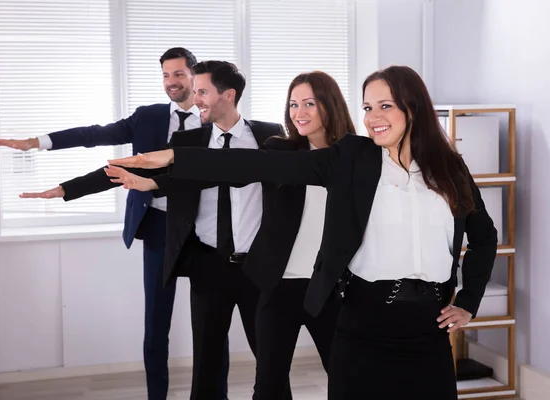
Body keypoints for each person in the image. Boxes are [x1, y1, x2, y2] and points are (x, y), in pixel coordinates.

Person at [106, 65, 498, 400]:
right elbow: (257, 165)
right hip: (363, 320)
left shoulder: (449, 169)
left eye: (385, 106)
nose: (372, 116)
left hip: (427, 326)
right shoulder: (353, 160)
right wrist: (176, 157)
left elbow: (483, 236)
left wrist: (469, 299)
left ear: (414, 110)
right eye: (367, 107)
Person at [0, 47, 229, 400]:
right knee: (155, 325)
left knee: (212, 326)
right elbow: (95, 136)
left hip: (204, 229)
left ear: (195, 75)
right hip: (159, 228)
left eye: (178, 74)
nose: (171, 82)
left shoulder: (215, 118)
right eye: (165, 75)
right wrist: (38, 146)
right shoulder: (147, 117)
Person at [106, 70, 354, 399]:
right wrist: (169, 163)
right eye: (293, 104)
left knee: (347, 379)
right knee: (267, 384)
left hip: (328, 288)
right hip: (278, 287)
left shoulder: (355, 157)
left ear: (331, 104)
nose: (299, 112)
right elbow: (233, 165)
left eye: (309, 103)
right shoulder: (282, 151)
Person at [135, 60, 290, 399]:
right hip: (207, 264)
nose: (196, 97)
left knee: (271, 361)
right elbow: (163, 180)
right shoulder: (186, 140)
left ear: (228, 95)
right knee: (206, 363)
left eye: (202, 91)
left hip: (258, 268)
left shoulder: (270, 135)